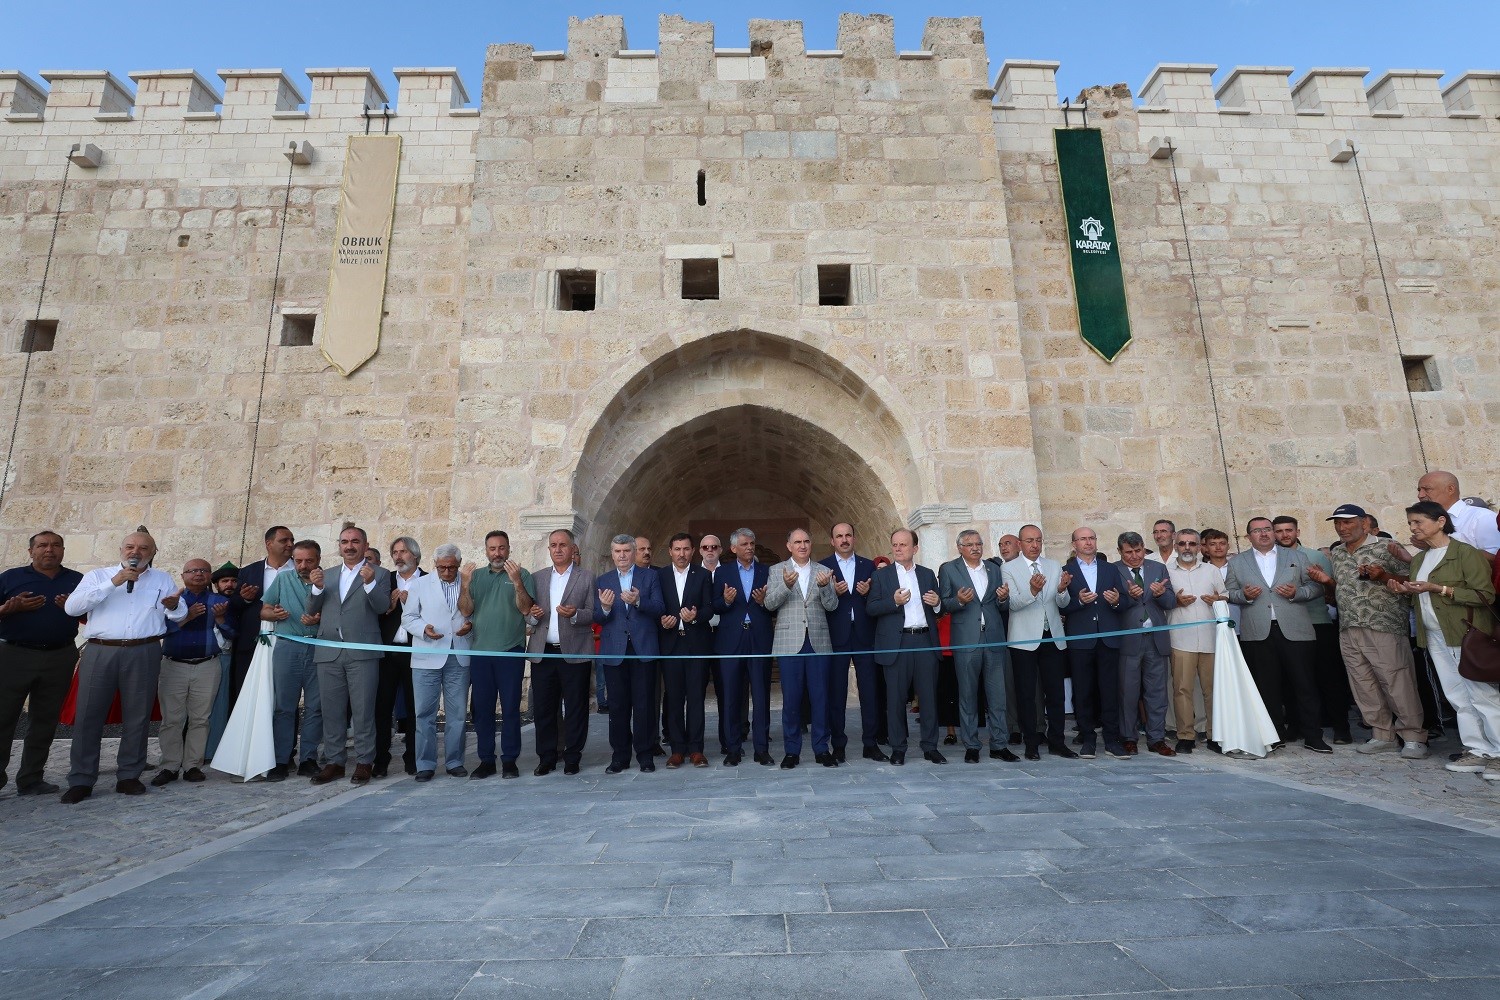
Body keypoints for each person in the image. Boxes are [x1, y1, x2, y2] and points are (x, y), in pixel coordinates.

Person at [60, 528, 189, 803]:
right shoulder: (97, 576)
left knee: (138, 715)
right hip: (101, 650)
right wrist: (114, 582)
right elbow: (72, 608)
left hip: (144, 650)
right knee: (88, 715)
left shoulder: (162, 579)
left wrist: (175, 605)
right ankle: (82, 779)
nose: (136, 552)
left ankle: (129, 775)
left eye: (143, 548)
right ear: (121, 550)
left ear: (152, 553)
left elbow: (178, 615)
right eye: (130, 547)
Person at [1308, 504, 1427, 759]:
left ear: (1364, 522)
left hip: (1384, 624)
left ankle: (1414, 736)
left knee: (1397, 681)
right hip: (1349, 625)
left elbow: (1411, 581)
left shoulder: (1387, 546)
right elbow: (1344, 587)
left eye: (1348, 522)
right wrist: (1328, 583)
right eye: (1338, 523)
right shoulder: (1337, 554)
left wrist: (1383, 575)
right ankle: (1382, 734)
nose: (1342, 527)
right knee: (1362, 683)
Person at [1396, 501, 1499, 781]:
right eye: (1410, 524)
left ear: (1441, 522)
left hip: (1466, 634)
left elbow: (1485, 595)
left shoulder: (1465, 554)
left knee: (1482, 695)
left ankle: (1499, 753)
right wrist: (1407, 590)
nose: (1413, 528)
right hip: (1435, 634)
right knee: (1457, 696)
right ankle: (1477, 750)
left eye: (1418, 522)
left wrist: (1438, 588)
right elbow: (1424, 596)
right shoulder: (1419, 559)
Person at [1226, 517, 1330, 754]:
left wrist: (1297, 593)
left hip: (1295, 629)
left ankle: (1314, 736)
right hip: (1258, 631)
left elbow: (1316, 588)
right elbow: (1229, 593)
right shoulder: (1238, 562)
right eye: (1256, 531)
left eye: (1266, 529)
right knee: (1266, 687)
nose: (1263, 534)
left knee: (1305, 685)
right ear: (1248, 536)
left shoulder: (1296, 557)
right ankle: (1274, 735)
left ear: (1273, 533)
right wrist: (1245, 595)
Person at [306, 523, 391, 786]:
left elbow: (382, 607)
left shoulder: (380, 573)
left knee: (364, 710)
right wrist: (317, 588)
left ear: (365, 546)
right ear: (340, 546)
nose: (350, 546)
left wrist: (368, 583)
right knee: (331, 710)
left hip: (362, 652)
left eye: (355, 541)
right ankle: (335, 761)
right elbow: (311, 609)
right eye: (345, 541)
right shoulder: (326, 575)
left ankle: (365, 761)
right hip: (329, 651)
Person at [0, 530, 83, 796]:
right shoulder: (10, 578)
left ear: (63, 550)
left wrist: (73, 607)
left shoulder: (78, 581)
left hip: (60, 656)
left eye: (56, 545)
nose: (50, 550)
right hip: (15, 656)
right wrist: (8, 610)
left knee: (45, 720)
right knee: (3, 718)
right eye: (43, 545)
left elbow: (94, 615)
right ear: (31, 551)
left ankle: (31, 778)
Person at [458, 530, 536, 780]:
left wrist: (516, 582)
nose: (497, 553)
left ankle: (510, 760)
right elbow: (466, 610)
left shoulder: (521, 575)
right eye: (492, 548)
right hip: (481, 653)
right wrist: (466, 585)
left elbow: (525, 608)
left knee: (511, 708)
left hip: (510, 652)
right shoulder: (477, 576)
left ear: (509, 549)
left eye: (502, 548)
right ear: (486, 550)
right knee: (482, 709)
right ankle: (486, 760)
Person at [153, 558, 233, 786]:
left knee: (200, 718)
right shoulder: (171, 601)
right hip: (173, 664)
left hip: (207, 664)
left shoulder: (219, 601)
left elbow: (230, 634)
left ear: (209, 576)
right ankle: (169, 766)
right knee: (172, 719)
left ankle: (192, 765)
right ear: (183, 575)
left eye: (204, 571)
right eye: (193, 570)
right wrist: (186, 617)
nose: (198, 574)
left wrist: (220, 619)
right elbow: (160, 631)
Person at [867, 529, 944, 766]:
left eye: (903, 544)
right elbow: (871, 608)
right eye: (895, 545)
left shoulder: (928, 574)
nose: (898, 549)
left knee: (929, 698)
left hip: (924, 641)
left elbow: (940, 607)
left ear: (915, 548)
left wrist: (938, 603)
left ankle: (930, 747)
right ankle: (898, 748)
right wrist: (893, 602)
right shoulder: (881, 576)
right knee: (896, 699)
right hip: (896, 644)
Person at [764, 528, 840, 769]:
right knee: (792, 700)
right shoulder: (776, 571)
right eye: (797, 542)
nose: (803, 545)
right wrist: (785, 586)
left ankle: (821, 748)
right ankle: (791, 751)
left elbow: (832, 606)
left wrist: (827, 587)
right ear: (789, 546)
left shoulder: (824, 571)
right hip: (789, 643)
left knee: (820, 698)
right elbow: (769, 604)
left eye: (806, 541)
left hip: (818, 641)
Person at [1274, 515, 1353, 744]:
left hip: (1318, 622)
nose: (1284, 535)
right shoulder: (1270, 559)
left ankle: (1341, 727)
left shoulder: (1316, 556)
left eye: (1289, 530)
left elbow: (1331, 590)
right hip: (1287, 626)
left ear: (1297, 532)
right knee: (1291, 680)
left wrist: (1317, 584)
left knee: (1329, 677)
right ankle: (1297, 725)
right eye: (1279, 531)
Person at [939, 529, 1016, 763]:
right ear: (959, 547)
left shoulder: (994, 569)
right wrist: (959, 601)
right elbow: (942, 605)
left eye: (979, 543)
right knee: (968, 695)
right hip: (966, 640)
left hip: (993, 639)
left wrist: (1003, 598)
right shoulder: (949, 569)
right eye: (970, 544)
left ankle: (999, 745)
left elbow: (1000, 607)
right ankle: (971, 745)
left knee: (997, 696)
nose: (975, 548)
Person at [525, 529, 596, 776]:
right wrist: (531, 617)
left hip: (575, 651)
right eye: (553, 545)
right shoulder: (537, 578)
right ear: (549, 549)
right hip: (543, 652)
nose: (557, 549)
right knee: (544, 708)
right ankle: (547, 757)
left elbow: (594, 613)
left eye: (562, 545)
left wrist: (575, 614)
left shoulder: (586, 577)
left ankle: (573, 756)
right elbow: (527, 613)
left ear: (572, 548)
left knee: (576, 707)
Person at [1003, 524, 1075, 761]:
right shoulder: (1009, 568)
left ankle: (1057, 742)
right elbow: (1012, 604)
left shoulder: (1054, 566)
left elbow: (1062, 603)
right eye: (1029, 540)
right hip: (1024, 639)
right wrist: (1033, 591)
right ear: (1020, 544)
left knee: (1055, 693)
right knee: (1026, 693)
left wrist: (1063, 589)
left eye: (1038, 540)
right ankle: (1031, 742)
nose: (1034, 545)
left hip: (1052, 636)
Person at [402, 543, 472, 781]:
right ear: (434, 565)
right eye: (441, 567)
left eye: (451, 567)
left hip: (459, 655)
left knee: (457, 714)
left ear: (459, 564)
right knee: (424, 713)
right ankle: (425, 764)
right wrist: (423, 629)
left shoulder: (468, 582)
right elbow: (408, 617)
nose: (446, 572)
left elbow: (474, 613)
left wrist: (470, 626)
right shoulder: (420, 584)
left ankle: (454, 761)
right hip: (426, 655)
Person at [595, 534, 664, 773]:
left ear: (634, 552)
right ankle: (620, 757)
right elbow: (596, 617)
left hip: (643, 650)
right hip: (615, 652)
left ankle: (645, 755)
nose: (622, 555)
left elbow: (659, 608)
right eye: (617, 551)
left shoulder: (651, 576)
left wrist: (637, 602)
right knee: (618, 706)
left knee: (644, 705)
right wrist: (604, 608)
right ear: (612, 554)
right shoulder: (603, 580)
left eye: (626, 551)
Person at [260, 539, 324, 780]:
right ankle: (281, 759)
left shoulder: (330, 580)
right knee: (284, 707)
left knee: (315, 707)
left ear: (318, 559)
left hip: (319, 648)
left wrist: (320, 620)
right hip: (288, 647)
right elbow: (264, 609)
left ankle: (308, 758)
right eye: (298, 561)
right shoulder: (283, 579)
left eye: (309, 560)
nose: (303, 565)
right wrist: (273, 613)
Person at [821, 522, 882, 761]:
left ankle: (871, 743)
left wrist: (867, 593)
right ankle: (838, 744)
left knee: (869, 692)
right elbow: (819, 602)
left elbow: (878, 600)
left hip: (864, 635)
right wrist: (831, 592)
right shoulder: (823, 567)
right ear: (832, 541)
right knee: (837, 693)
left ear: (854, 538)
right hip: (836, 637)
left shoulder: (869, 566)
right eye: (839, 536)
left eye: (848, 535)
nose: (844, 539)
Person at [1113, 532, 1179, 756]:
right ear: (1120, 552)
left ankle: (1157, 738)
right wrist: (1129, 597)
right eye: (1129, 552)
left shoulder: (1157, 568)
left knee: (1157, 692)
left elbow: (1171, 602)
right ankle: (1128, 737)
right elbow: (1113, 605)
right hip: (1128, 640)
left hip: (1156, 638)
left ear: (1144, 548)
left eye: (1138, 551)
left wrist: (1160, 594)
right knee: (1127, 693)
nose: (1134, 556)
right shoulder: (1113, 570)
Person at [712, 528, 773, 766]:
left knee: (761, 695)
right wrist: (726, 600)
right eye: (744, 544)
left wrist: (763, 602)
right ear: (734, 548)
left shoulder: (766, 571)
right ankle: (733, 749)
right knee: (731, 697)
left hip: (759, 639)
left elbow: (774, 604)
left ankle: (761, 749)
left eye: (752, 543)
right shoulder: (722, 573)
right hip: (731, 641)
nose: (749, 547)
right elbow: (715, 605)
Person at [1061, 526, 1122, 759]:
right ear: (1074, 544)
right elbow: (1060, 604)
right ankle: (1087, 738)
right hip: (1080, 639)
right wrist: (1078, 601)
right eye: (1082, 539)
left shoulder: (1110, 569)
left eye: (1091, 538)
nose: (1087, 543)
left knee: (1109, 690)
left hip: (1108, 637)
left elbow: (1123, 600)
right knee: (1082, 690)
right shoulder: (1065, 571)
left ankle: (1112, 739)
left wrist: (1117, 601)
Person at [656, 532, 713, 769]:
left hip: (696, 645)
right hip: (671, 644)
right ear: (670, 551)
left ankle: (696, 749)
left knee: (696, 698)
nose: (682, 554)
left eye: (686, 549)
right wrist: (662, 620)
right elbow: (654, 606)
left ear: (693, 551)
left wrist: (696, 616)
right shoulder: (659, 576)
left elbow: (710, 608)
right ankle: (677, 749)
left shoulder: (702, 575)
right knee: (674, 697)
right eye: (677, 549)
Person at [1164, 529, 1221, 753]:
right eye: (1182, 544)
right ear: (1175, 546)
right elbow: (1162, 600)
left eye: (1192, 544)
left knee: (1212, 690)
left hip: (1210, 637)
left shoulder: (1211, 570)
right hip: (1180, 639)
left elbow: (1224, 595)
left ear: (1200, 547)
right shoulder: (1166, 571)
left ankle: (1215, 734)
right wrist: (1175, 601)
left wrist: (1217, 599)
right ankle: (1185, 735)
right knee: (1182, 689)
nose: (1187, 548)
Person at [226, 526, 294, 711]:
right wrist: (246, 598)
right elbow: (233, 606)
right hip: (253, 642)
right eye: (284, 540)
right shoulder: (248, 572)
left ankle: (284, 740)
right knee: (249, 695)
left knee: (286, 697)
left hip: (291, 642)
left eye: (291, 540)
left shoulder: (301, 569)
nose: (290, 544)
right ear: (268, 544)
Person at [373, 537, 421, 778]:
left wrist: (411, 603)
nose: (398, 556)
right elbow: (373, 613)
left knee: (415, 707)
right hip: (388, 652)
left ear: (415, 555)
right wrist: (388, 607)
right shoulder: (385, 579)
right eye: (395, 552)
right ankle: (380, 759)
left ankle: (413, 758)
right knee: (382, 707)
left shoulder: (428, 579)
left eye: (403, 551)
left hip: (416, 652)